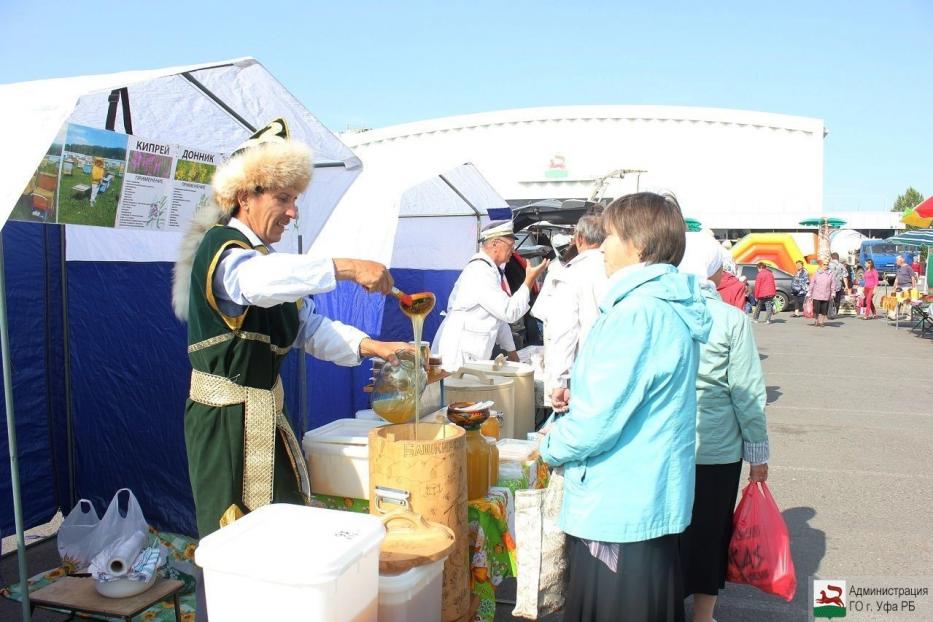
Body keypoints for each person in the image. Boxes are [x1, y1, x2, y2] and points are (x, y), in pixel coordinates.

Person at [539, 192, 711, 622]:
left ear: (639, 246)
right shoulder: (665, 306)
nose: (602, 248)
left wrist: (551, 443)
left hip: (618, 504)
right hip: (648, 495)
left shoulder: (635, 313)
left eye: (611, 236)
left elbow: (597, 424)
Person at [678, 234, 769, 622]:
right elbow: (746, 392)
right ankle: (703, 615)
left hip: (667, 445)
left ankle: (663, 602)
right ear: (715, 272)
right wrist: (758, 454)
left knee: (668, 532)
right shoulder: (732, 320)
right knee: (710, 531)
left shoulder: (662, 312)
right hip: (717, 449)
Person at [432, 220, 548, 371]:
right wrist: (528, 281)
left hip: (469, 354)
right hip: (458, 356)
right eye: (510, 246)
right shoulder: (480, 271)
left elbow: (498, 317)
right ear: (495, 244)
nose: (513, 252)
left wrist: (511, 351)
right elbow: (508, 312)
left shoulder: (489, 270)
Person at [538, 215, 607, 412]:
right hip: (609, 369)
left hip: (582, 371)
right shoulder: (614, 269)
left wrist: (557, 381)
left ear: (579, 239)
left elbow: (563, 331)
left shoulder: (573, 272)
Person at [808, 259, 835, 327]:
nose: (826, 266)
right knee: (816, 309)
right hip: (817, 294)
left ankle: (822, 322)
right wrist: (809, 292)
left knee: (824, 310)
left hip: (826, 294)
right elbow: (812, 282)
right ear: (821, 265)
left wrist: (833, 292)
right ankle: (816, 321)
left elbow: (833, 284)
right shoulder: (817, 272)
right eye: (824, 264)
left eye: (827, 264)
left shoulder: (830, 273)